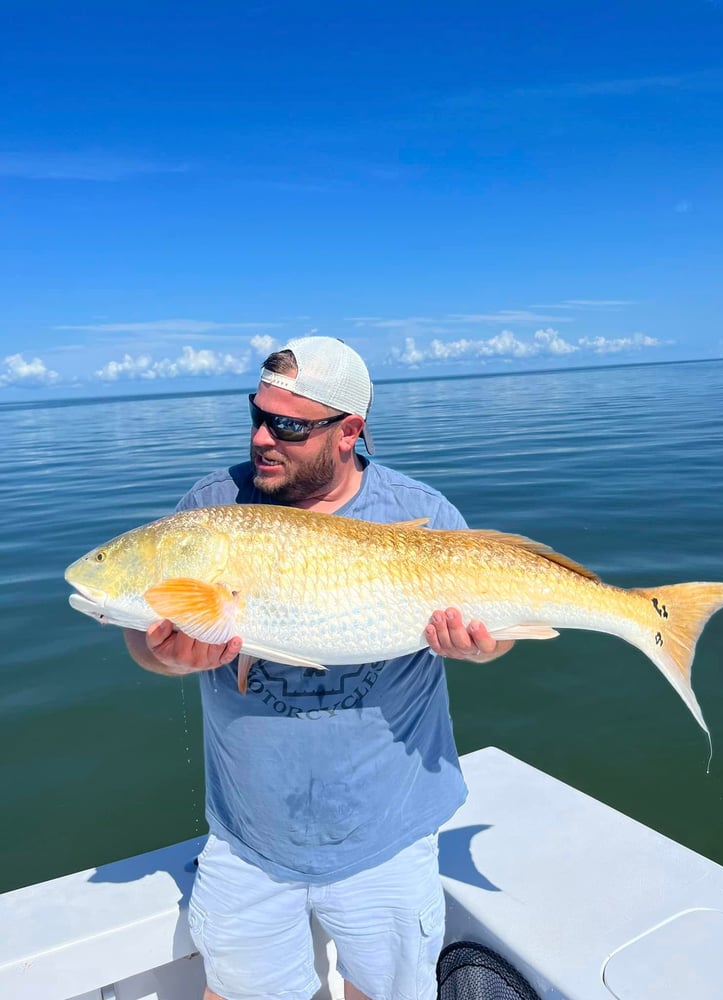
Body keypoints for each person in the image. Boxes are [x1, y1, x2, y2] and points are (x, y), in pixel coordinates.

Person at [124, 336, 514, 1000]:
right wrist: (163, 656)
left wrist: (482, 646)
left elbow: (497, 625)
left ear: (349, 431)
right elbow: (143, 632)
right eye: (257, 414)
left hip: (387, 837)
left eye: (290, 425)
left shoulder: (417, 514)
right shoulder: (212, 509)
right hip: (248, 839)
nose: (262, 438)